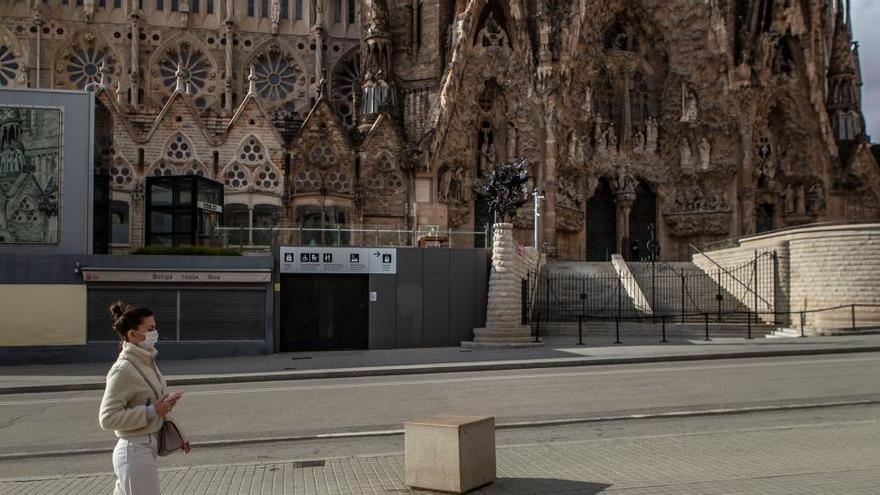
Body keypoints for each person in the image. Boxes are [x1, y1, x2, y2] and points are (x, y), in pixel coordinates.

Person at [99, 302, 190, 495]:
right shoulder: (123, 369)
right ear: (132, 334)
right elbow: (107, 418)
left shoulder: (147, 361)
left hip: (147, 447)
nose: (155, 333)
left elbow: (158, 404)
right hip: (134, 451)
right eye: (150, 329)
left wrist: (178, 432)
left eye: (155, 328)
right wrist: (152, 411)